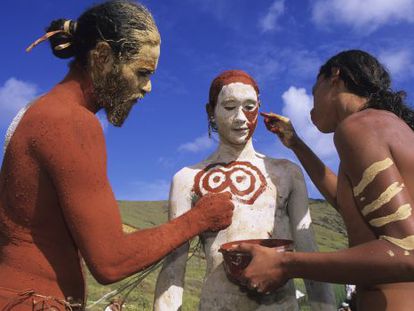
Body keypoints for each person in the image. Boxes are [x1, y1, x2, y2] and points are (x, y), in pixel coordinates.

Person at [0, 1, 234, 310]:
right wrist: (200, 218)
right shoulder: (70, 121)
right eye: (142, 72)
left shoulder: (37, 110)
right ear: (103, 57)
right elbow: (110, 261)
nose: (147, 87)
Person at [235, 50, 414, 310]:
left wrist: (284, 264)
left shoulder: (358, 127)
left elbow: (409, 251)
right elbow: (349, 206)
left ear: (335, 77)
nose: (312, 105)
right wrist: (296, 143)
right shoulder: (390, 127)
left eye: (313, 91)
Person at [153, 70, 335, 310]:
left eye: (249, 107)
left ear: (259, 109)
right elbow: (174, 266)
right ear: (211, 111)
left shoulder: (287, 172)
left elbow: (308, 249)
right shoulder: (187, 179)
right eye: (229, 107)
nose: (240, 118)